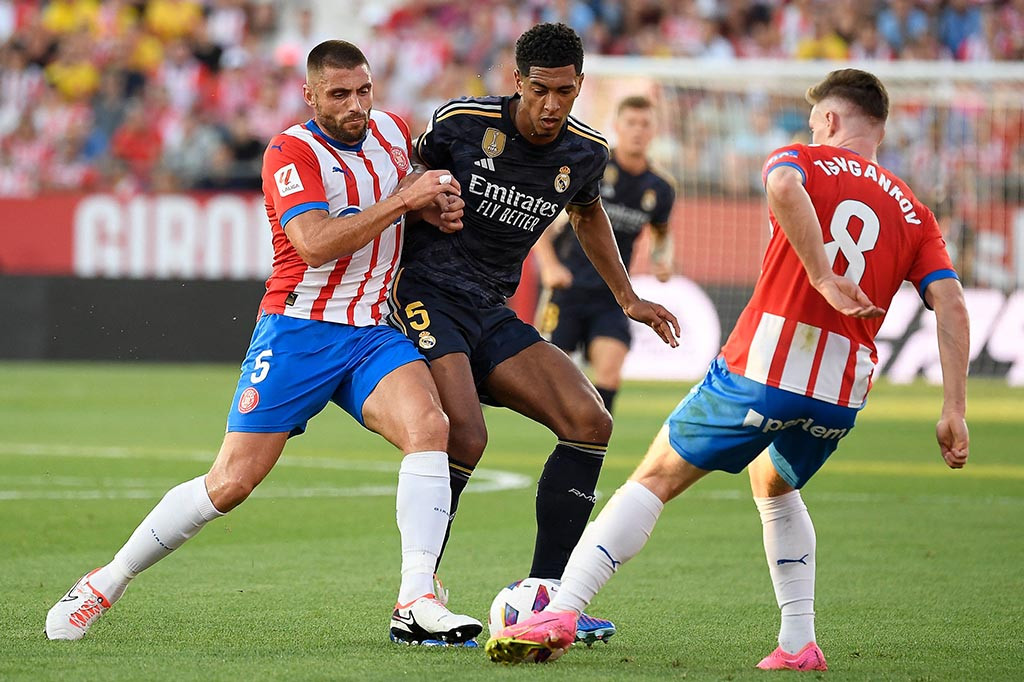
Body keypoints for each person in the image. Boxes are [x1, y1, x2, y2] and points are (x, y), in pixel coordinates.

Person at [486, 68, 971, 669]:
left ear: (831, 120)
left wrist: (820, 273)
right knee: (775, 484)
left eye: (816, 118)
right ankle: (798, 642)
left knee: (655, 474)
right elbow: (949, 301)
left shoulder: (805, 158)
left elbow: (784, 188)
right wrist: (954, 407)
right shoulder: (916, 213)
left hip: (766, 362)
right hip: (841, 388)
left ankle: (561, 607)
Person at [45, 40, 484, 647]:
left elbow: (399, 186)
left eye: (363, 90)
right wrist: (405, 201)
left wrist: (429, 205)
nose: (356, 105)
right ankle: (107, 580)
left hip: (371, 333)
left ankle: (416, 598)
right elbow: (314, 243)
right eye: (339, 94)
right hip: (299, 330)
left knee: (430, 428)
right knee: (229, 483)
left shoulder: (390, 131)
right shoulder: (290, 151)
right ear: (309, 95)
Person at [388, 22, 680, 645]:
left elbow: (588, 209)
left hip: (490, 309)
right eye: (541, 90)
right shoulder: (462, 122)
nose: (552, 106)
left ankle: (547, 597)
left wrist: (627, 297)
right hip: (426, 292)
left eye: (566, 92)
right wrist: (423, 198)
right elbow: (399, 182)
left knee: (590, 419)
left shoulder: (583, 151)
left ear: (580, 87)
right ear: (516, 81)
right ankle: (416, 598)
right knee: (465, 432)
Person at [533, 94, 677, 414]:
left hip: (612, 294)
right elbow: (543, 220)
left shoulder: (661, 187)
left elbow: (662, 233)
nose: (638, 131)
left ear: (654, 131)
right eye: (631, 123)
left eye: (645, 124)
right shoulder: (593, 167)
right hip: (567, 287)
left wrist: (662, 259)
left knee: (610, 371)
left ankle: (591, 441)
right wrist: (550, 266)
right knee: (546, 377)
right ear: (617, 127)